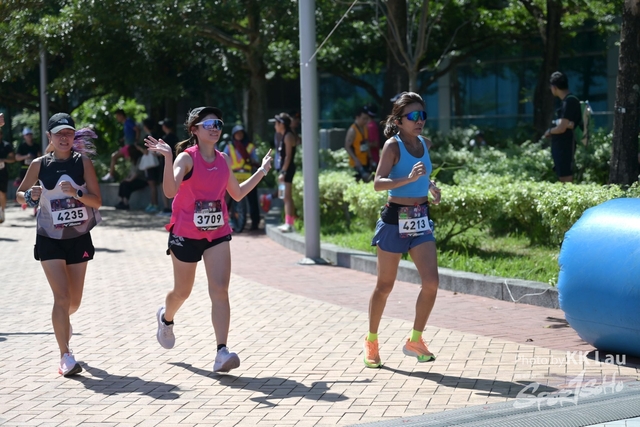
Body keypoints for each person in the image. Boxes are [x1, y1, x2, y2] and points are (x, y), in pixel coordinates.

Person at [144, 106, 273, 373]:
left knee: (220, 290)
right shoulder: (186, 159)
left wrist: (261, 171)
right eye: (209, 124)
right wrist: (168, 158)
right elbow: (169, 191)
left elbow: (237, 193)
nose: (215, 128)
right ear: (195, 130)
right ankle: (166, 318)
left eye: (218, 124)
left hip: (217, 233)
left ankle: (221, 352)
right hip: (185, 234)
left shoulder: (223, 159)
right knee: (183, 292)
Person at [16, 113, 102, 377]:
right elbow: (19, 195)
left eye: (69, 133)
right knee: (61, 297)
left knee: (73, 302)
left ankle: (64, 321)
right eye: (59, 133)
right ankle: (65, 355)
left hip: (78, 237)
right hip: (48, 237)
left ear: (74, 136)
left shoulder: (82, 162)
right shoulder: (39, 164)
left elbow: (97, 201)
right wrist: (29, 195)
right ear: (49, 136)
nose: (64, 138)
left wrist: (77, 193)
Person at [364, 92, 442, 368]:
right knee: (385, 286)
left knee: (431, 282)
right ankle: (372, 341)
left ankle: (415, 340)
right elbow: (378, 183)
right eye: (413, 116)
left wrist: (430, 187)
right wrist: (408, 179)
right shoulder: (392, 146)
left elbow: (423, 174)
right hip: (394, 220)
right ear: (398, 121)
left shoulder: (425, 143)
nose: (420, 121)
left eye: (423, 115)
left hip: (420, 218)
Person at [544, 71, 581, 183]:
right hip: (562, 146)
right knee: (562, 176)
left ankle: (569, 195)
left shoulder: (569, 102)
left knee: (565, 178)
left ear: (554, 87)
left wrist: (549, 131)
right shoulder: (567, 101)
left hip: (565, 146)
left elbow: (561, 128)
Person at [224, 124, 261, 231]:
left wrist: (252, 160)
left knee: (252, 200)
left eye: (241, 133)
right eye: (237, 133)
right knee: (227, 200)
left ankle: (255, 222)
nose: (239, 135)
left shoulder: (250, 147)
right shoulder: (229, 147)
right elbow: (223, 160)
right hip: (233, 177)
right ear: (233, 135)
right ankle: (226, 221)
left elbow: (256, 160)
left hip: (248, 176)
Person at [273, 113, 297, 232]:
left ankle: (289, 224)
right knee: (284, 196)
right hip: (284, 170)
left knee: (286, 197)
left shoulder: (288, 136)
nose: (275, 126)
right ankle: (289, 222)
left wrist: (283, 171)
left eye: (276, 123)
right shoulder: (284, 135)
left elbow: (288, 156)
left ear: (282, 124)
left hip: (287, 170)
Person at [102, 109, 140, 182]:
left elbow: (137, 129)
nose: (117, 118)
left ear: (121, 115)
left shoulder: (128, 121)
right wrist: (123, 139)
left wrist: (136, 141)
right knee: (130, 163)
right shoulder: (125, 123)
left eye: (117, 116)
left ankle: (111, 175)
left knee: (114, 156)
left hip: (130, 146)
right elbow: (130, 133)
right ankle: (128, 178)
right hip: (127, 146)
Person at [115, 142, 147, 210]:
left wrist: (129, 180)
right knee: (122, 183)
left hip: (142, 180)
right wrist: (127, 178)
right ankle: (121, 201)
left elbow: (138, 172)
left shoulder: (140, 159)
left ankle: (126, 203)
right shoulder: (133, 161)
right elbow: (131, 172)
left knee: (127, 185)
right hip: (134, 179)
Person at [345, 107, 373, 182]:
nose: (365, 121)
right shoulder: (352, 130)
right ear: (357, 117)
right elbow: (347, 147)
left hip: (365, 161)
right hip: (356, 164)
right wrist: (356, 160)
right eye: (363, 119)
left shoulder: (365, 128)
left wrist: (370, 158)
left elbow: (366, 143)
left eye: (366, 119)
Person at [157, 118, 179, 216]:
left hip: (166, 165)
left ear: (165, 127)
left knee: (164, 185)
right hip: (176, 164)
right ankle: (175, 207)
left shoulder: (165, 139)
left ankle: (166, 208)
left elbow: (160, 153)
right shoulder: (176, 138)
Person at [140, 118, 161, 213]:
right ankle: (153, 204)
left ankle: (154, 204)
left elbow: (145, 152)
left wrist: (138, 148)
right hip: (156, 163)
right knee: (154, 186)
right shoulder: (156, 135)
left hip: (150, 165)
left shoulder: (147, 137)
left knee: (152, 186)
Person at [0, 127, 16, 223]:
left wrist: (4, 160)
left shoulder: (6, 146)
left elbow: (13, 158)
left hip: (2, 173)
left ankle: (2, 211)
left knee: (2, 193)